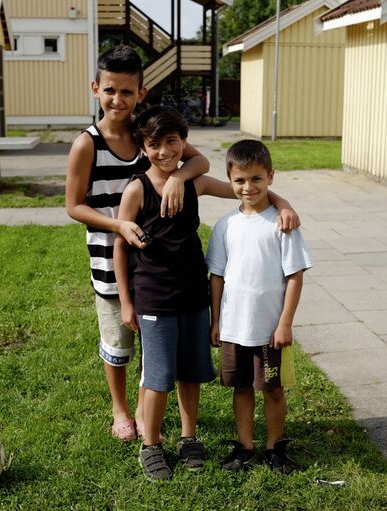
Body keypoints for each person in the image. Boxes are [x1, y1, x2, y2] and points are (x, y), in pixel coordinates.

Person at [113, 108, 300, 481]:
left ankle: (188, 438)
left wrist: (283, 203)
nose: (165, 151)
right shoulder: (137, 189)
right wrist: (127, 301)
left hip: (195, 298)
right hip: (155, 301)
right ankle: (150, 445)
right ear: (143, 147)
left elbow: (243, 191)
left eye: (172, 142)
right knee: (158, 377)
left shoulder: (194, 184)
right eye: (154, 145)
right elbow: (121, 246)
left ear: (183, 142)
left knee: (191, 374)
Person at [65, 45, 210, 442]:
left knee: (154, 337)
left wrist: (179, 178)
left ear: (141, 94)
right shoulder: (87, 144)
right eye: (110, 90)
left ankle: (150, 409)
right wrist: (118, 226)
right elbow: (74, 206)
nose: (118, 99)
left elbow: (201, 163)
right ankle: (120, 409)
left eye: (127, 92)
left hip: (155, 263)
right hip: (110, 258)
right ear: (96, 89)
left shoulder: (148, 133)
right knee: (117, 339)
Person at [206, 140, 312, 475]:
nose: (247, 187)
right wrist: (216, 321)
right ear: (229, 180)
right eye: (239, 180)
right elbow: (217, 277)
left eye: (256, 179)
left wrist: (285, 323)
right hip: (234, 326)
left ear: (270, 176)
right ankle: (245, 447)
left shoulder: (282, 224)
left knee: (273, 389)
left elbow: (295, 277)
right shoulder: (225, 226)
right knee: (240, 388)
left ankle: (275, 448)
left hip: (269, 328)